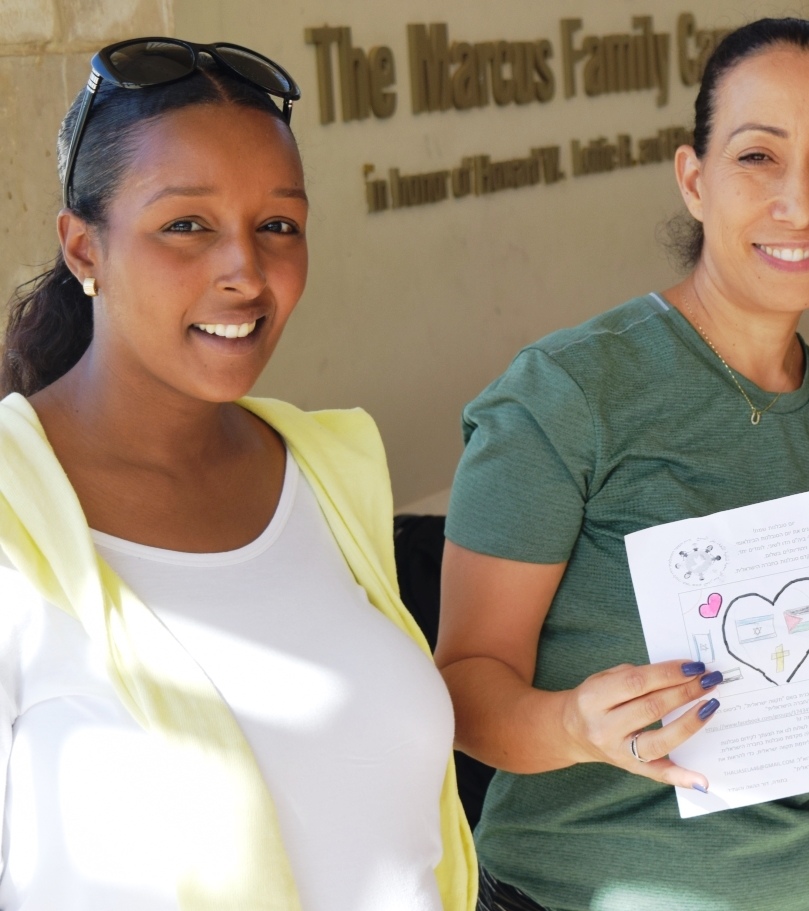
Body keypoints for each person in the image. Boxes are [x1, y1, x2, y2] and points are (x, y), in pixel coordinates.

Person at [434, 19, 809, 911]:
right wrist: (572, 724)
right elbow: (462, 684)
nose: (799, 202)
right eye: (756, 157)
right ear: (694, 180)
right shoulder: (568, 395)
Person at [0, 39, 474, 909]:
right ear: (83, 249)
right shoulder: (12, 516)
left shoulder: (331, 468)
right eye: (187, 224)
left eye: (278, 225)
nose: (246, 273)